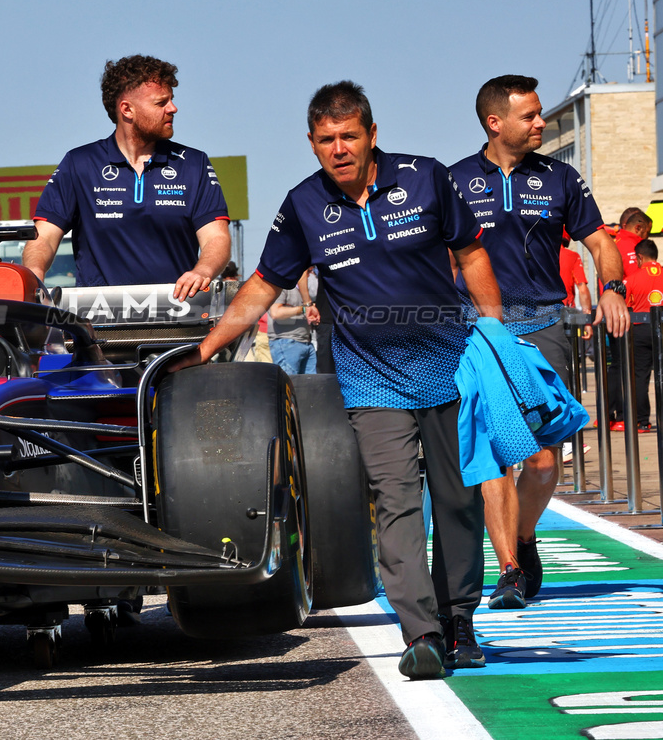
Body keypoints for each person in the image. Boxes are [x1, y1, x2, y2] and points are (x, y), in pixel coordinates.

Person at [173, 81, 502, 678]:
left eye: (349, 135)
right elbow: (264, 285)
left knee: (457, 503)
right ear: (312, 143)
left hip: (450, 367)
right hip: (371, 382)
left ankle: (460, 619)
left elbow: (472, 253)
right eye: (326, 139)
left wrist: (496, 330)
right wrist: (210, 345)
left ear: (372, 135)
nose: (339, 148)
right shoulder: (303, 205)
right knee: (396, 502)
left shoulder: (427, 177)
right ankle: (422, 633)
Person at [448, 75, 630, 610]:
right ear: (495, 122)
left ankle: (525, 539)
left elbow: (599, 242)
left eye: (540, 114)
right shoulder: (454, 180)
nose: (541, 123)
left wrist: (614, 290)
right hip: (477, 329)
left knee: (545, 461)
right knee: (495, 452)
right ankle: (507, 569)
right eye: (530, 115)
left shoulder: (561, 178)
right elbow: (436, 255)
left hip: (544, 321)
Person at [23, 55, 231, 301]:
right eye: (161, 102)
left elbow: (216, 238)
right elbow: (43, 237)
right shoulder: (80, 163)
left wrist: (203, 271)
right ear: (127, 110)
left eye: (171, 100)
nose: (173, 108)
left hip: (178, 314)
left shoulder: (194, 164)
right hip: (96, 322)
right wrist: (34, 276)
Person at [626, 238, 663, 431]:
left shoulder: (631, 279)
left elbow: (624, 306)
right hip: (661, 327)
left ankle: (642, 421)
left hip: (640, 328)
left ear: (640, 257)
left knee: (640, 376)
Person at [268, 269, 317, 375]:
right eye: (308, 272)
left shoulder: (305, 293)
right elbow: (276, 313)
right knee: (289, 385)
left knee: (310, 387)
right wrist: (304, 309)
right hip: (286, 343)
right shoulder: (283, 287)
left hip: (306, 342)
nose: (310, 276)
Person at [616, 209, 651, 278]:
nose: (648, 237)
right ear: (638, 228)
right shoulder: (630, 247)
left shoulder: (617, 241)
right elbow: (637, 279)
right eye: (647, 232)